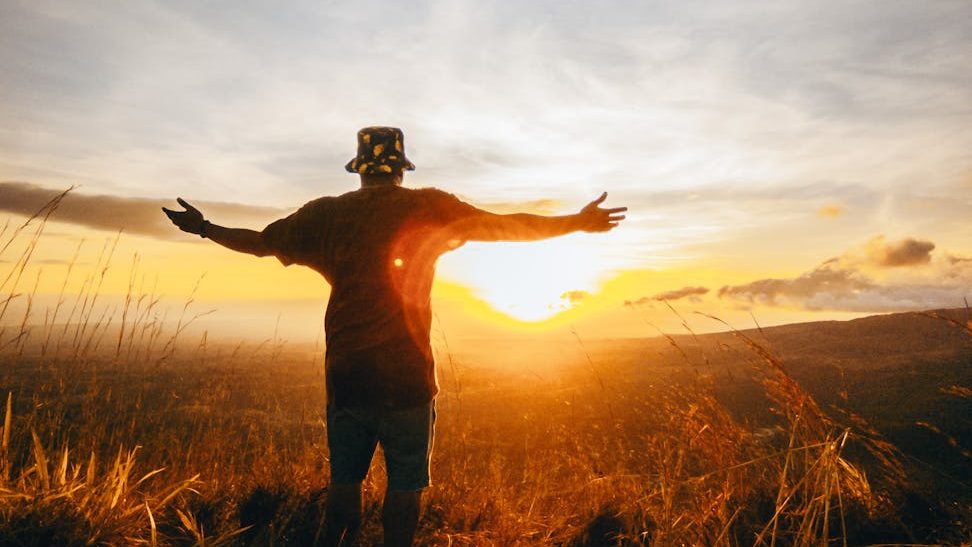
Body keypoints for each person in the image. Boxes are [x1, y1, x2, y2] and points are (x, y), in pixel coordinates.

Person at [163, 126, 626, 546]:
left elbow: (260, 243)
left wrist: (204, 228)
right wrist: (575, 223)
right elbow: (503, 226)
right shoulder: (428, 206)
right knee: (404, 488)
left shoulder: (324, 216)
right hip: (407, 377)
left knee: (345, 483)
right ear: (401, 170)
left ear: (359, 170)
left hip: (348, 376)